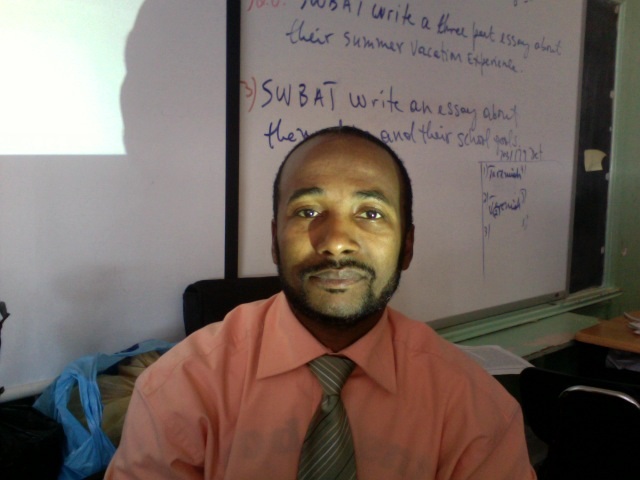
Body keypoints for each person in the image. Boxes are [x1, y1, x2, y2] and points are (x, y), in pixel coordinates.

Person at [105, 126, 536, 479]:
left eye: (370, 213)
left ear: (407, 246)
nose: (336, 243)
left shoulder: (475, 410)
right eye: (308, 211)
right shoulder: (181, 389)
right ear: (274, 240)